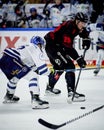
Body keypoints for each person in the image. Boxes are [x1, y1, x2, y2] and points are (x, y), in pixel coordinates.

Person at [44, 12, 91, 102]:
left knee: (59, 67)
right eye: (82, 23)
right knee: (69, 66)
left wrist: (86, 38)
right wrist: (78, 59)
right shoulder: (69, 27)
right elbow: (67, 47)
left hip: (54, 46)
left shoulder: (76, 26)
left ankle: (49, 89)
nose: (83, 25)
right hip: (54, 47)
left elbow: (83, 32)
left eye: (85, 23)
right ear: (77, 21)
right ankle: (71, 92)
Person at [0, 36, 52, 109]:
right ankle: (35, 100)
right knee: (33, 77)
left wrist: (38, 70)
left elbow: (29, 66)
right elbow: (43, 69)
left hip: (4, 59)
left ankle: (9, 96)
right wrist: (50, 73)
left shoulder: (26, 47)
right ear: (40, 44)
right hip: (13, 59)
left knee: (15, 78)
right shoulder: (35, 48)